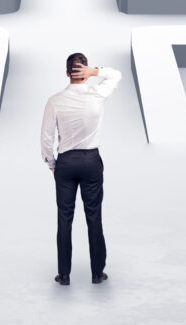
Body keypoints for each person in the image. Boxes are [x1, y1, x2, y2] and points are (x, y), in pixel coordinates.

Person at [40, 52, 122, 286]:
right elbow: (116, 75)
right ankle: (97, 273)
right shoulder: (97, 94)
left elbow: (46, 138)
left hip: (65, 163)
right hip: (91, 160)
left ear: (67, 74)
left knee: (64, 219)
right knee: (94, 216)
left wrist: (52, 164)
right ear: (84, 74)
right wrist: (96, 72)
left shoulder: (55, 100)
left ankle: (64, 275)